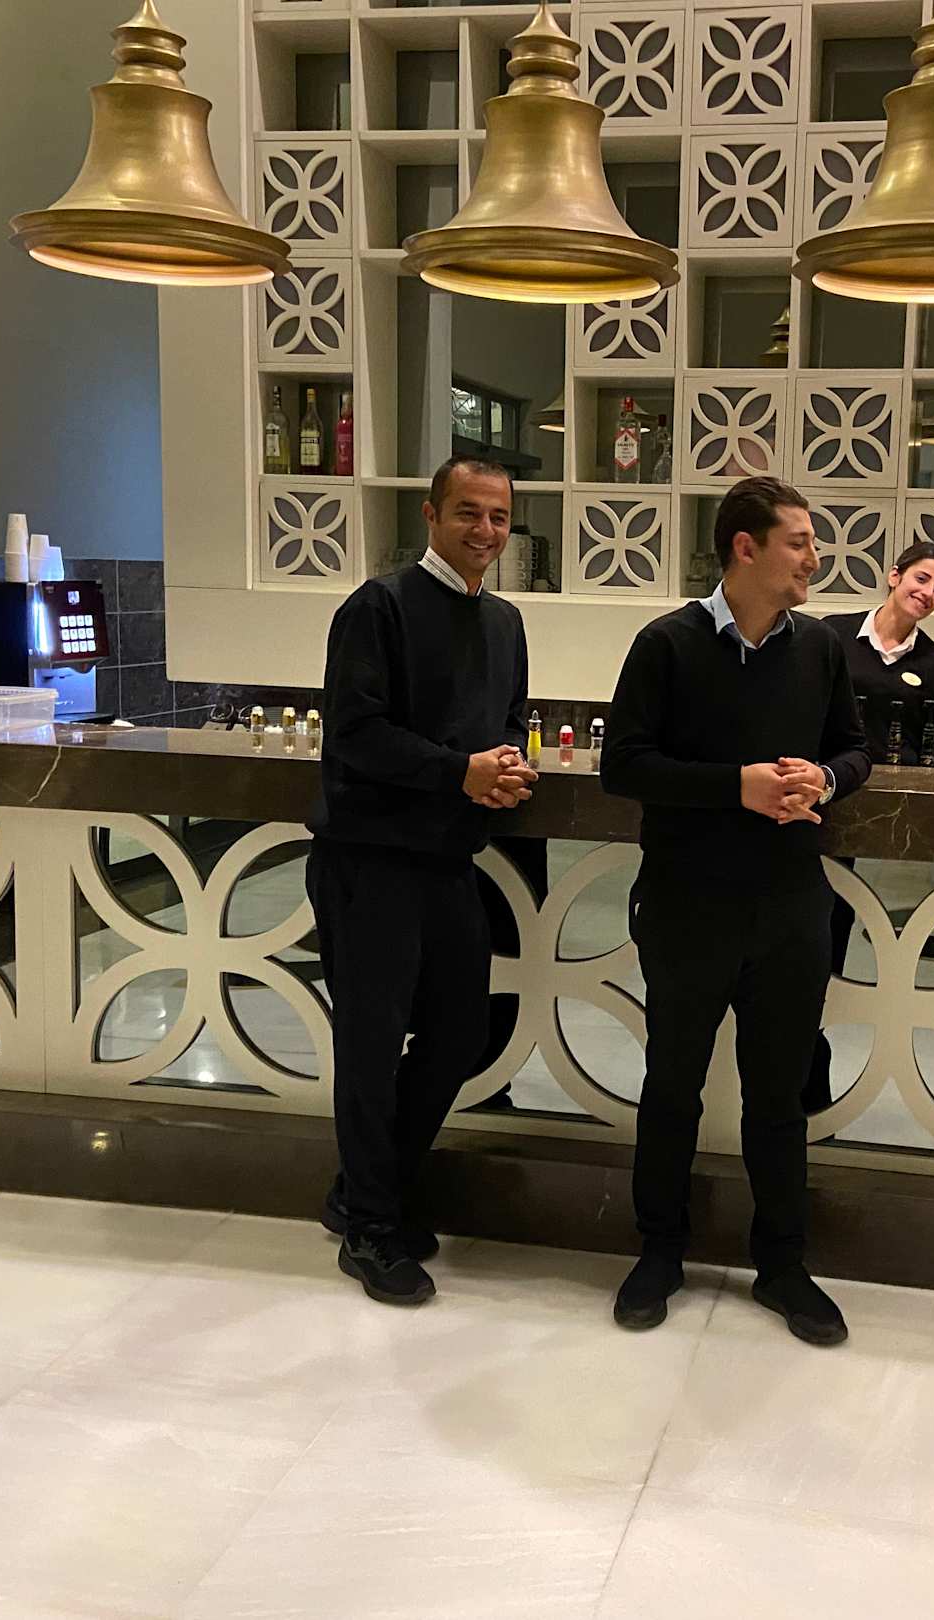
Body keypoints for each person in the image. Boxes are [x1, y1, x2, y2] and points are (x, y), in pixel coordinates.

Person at [600, 475, 871, 1346]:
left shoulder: (820, 648)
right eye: (800, 542)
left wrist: (826, 778)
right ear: (744, 548)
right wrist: (737, 787)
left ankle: (783, 1265)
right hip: (687, 903)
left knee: (779, 1096)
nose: (814, 558)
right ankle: (659, 1252)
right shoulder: (666, 645)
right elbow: (624, 766)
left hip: (791, 906)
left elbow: (856, 749)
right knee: (671, 1086)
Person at [307, 456, 537, 1307]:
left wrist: (502, 770)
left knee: (458, 1035)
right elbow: (354, 733)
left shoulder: (505, 621)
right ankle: (370, 1228)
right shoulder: (380, 607)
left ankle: (367, 1190)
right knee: (371, 1050)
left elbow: (506, 721)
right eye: (468, 512)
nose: (486, 530)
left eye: (499, 517)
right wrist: (458, 773)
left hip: (447, 861)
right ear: (432, 516)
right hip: (368, 859)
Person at [804, 541, 934, 1115]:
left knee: (836, 928)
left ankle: (811, 1074)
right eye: (921, 579)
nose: (927, 593)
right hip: (816, 803)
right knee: (802, 927)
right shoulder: (830, 636)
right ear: (894, 576)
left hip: (883, 826)